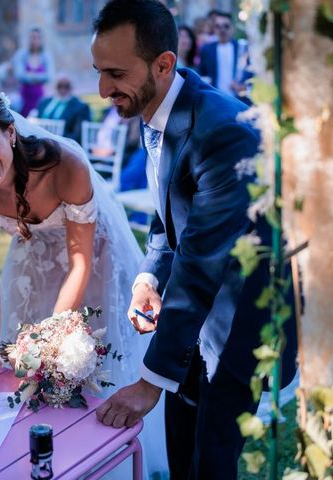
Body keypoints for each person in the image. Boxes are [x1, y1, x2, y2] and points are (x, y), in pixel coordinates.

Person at [90, 1, 297, 478]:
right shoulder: (152, 106)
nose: (103, 90)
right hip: (188, 327)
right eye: (99, 72)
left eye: (115, 74)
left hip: (237, 324)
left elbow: (202, 262)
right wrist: (148, 277)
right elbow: (169, 224)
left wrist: (148, 383)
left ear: (164, 64)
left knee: (212, 460)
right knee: (183, 454)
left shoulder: (222, 133)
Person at [0, 87, 168, 478]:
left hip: (96, 258)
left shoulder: (66, 166)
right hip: (35, 259)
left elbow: (80, 262)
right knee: (30, 377)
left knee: (92, 360)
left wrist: (51, 336)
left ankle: (111, 461)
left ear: (11, 132)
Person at [198, 11, 252, 102]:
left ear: (232, 28)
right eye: (218, 26)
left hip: (239, 100)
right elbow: (202, 73)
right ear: (214, 29)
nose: (222, 30)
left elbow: (251, 74)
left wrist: (244, 86)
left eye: (226, 26)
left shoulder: (242, 48)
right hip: (215, 100)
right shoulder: (206, 49)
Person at [33, 74, 91, 143]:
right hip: (38, 141)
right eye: (59, 86)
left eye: (67, 86)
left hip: (62, 145)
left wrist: (57, 140)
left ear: (72, 87)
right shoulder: (44, 102)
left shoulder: (81, 107)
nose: (63, 89)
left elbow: (77, 135)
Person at [13, 27, 54, 117]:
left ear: (41, 39)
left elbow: (49, 77)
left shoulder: (46, 56)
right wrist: (39, 77)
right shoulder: (21, 55)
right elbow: (19, 75)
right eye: (32, 37)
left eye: (37, 37)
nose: (34, 40)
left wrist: (29, 76)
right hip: (24, 97)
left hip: (39, 96)